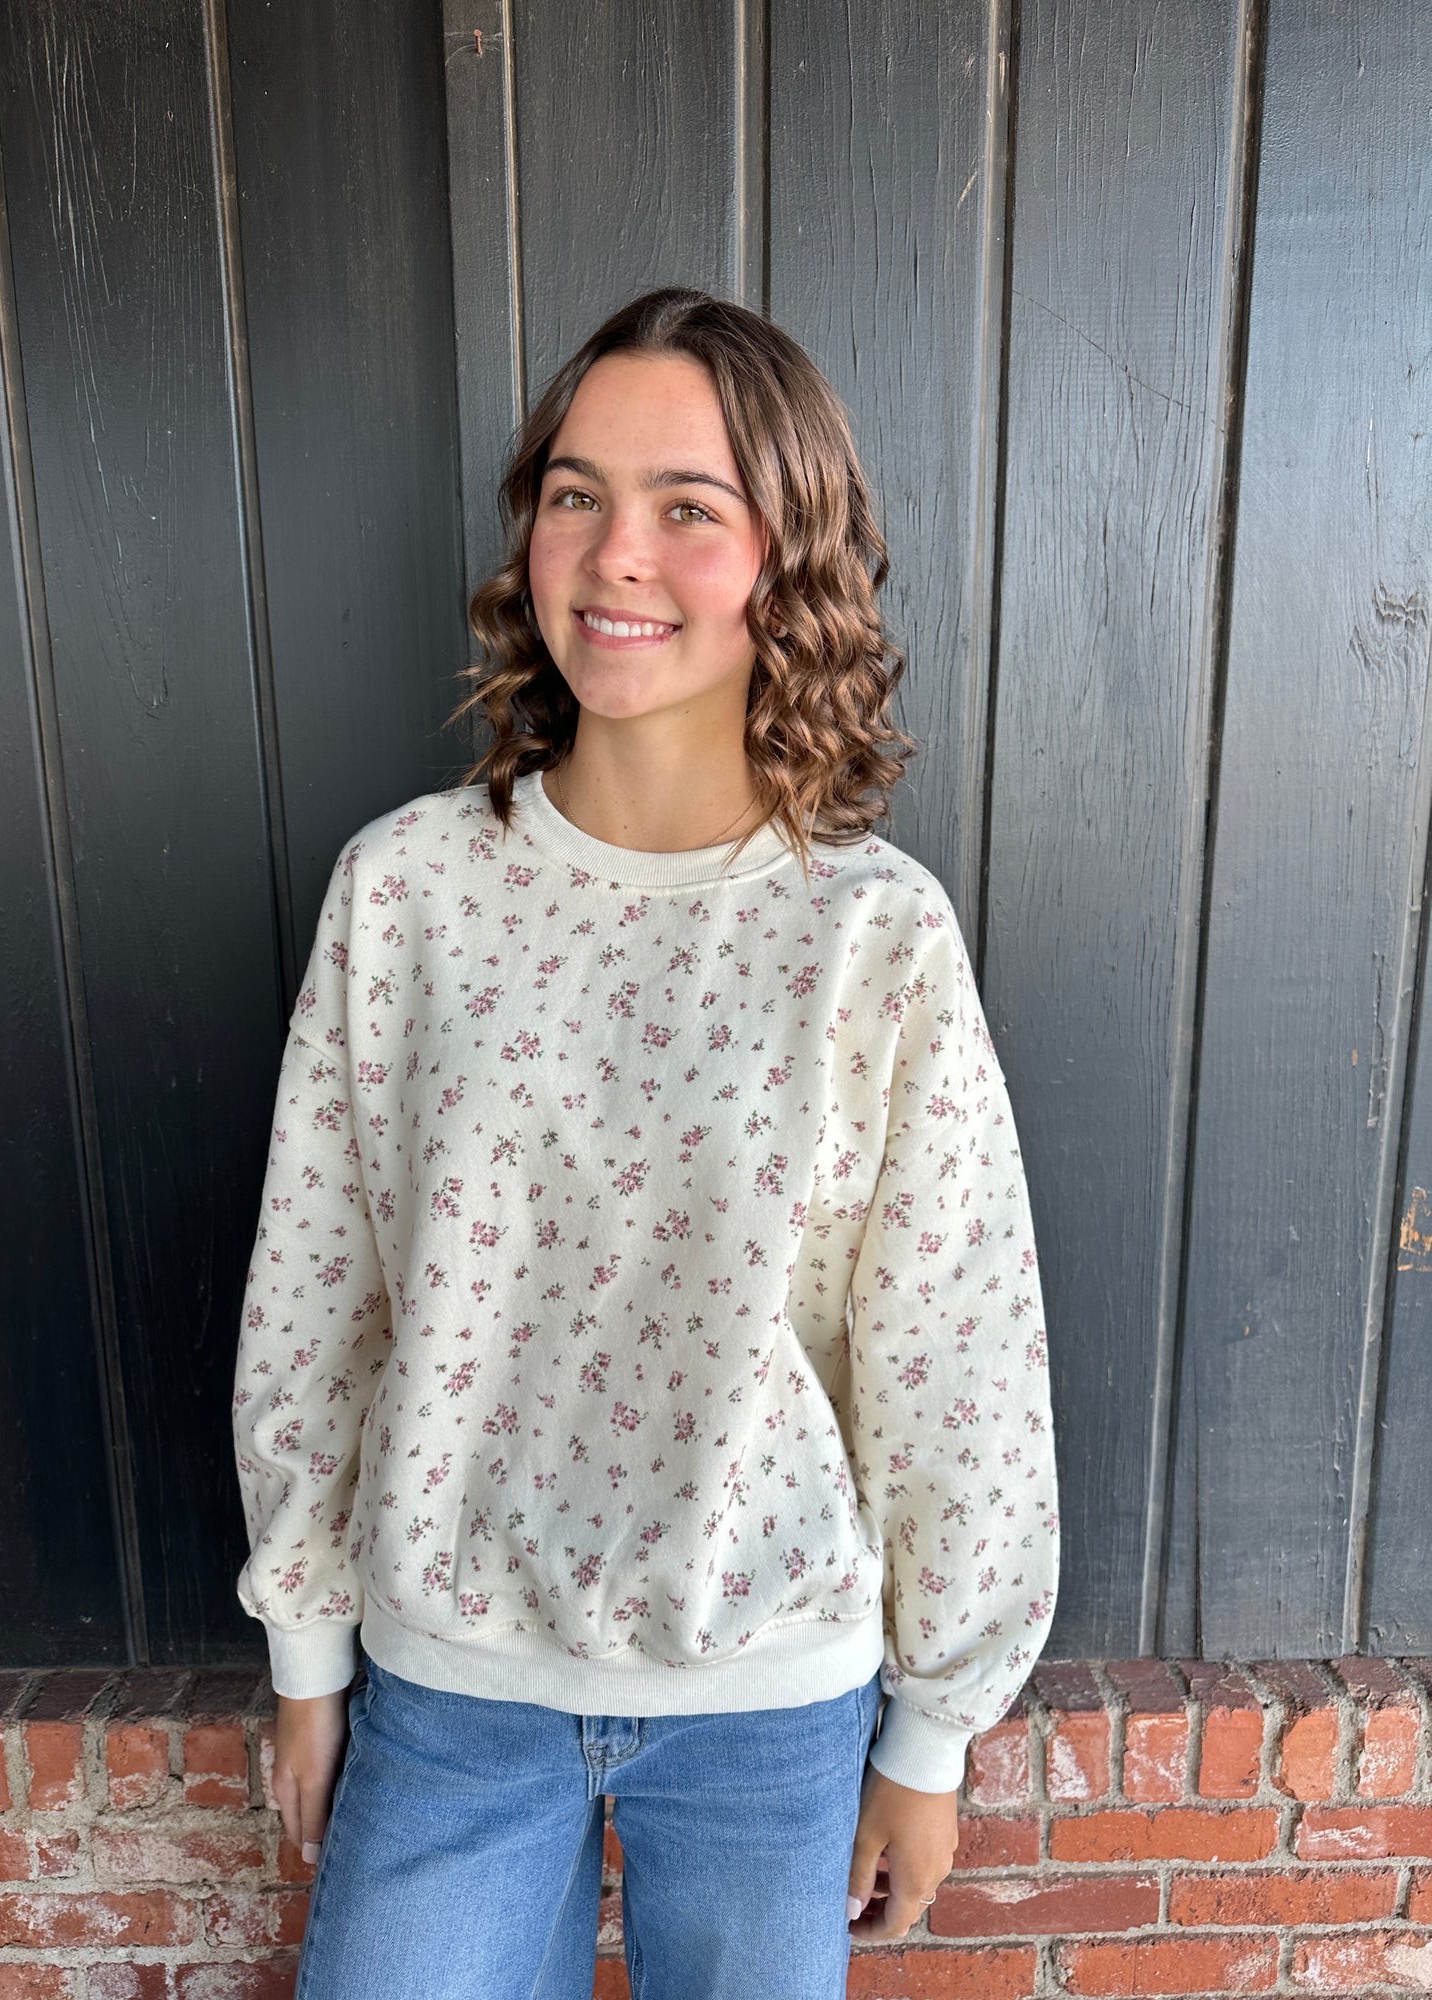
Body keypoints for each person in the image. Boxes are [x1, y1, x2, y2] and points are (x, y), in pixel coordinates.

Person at [231, 286, 1059, 2000]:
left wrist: (933, 1736)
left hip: (771, 1704)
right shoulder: (408, 893)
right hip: (450, 1693)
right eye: (576, 493)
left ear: (789, 558)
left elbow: (953, 1344)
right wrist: (308, 1655)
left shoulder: (873, 935)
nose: (616, 554)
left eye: (690, 507)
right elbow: (320, 1289)